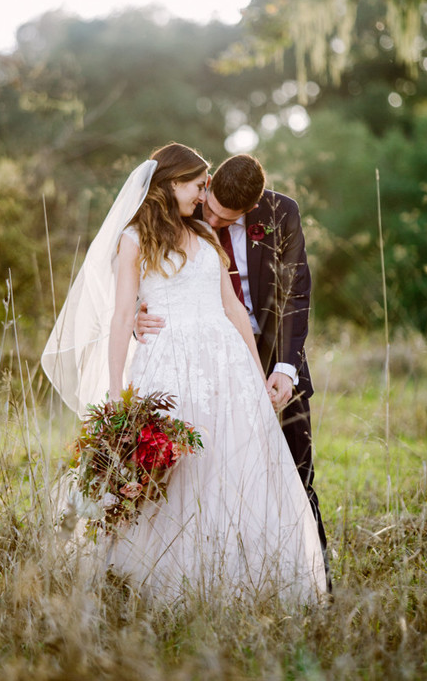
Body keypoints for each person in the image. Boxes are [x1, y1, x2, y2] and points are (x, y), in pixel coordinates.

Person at [42, 143, 326, 603]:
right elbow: (121, 313)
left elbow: (236, 305)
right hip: (170, 363)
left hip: (229, 363)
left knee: (246, 470)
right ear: (176, 184)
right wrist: (116, 390)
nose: (203, 198)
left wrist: (258, 377)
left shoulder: (212, 230)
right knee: (176, 471)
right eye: (198, 187)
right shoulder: (136, 237)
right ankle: (160, 587)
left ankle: (251, 580)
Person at [137, 154, 330, 579]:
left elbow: (295, 293)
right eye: (210, 209)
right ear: (207, 186)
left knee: (294, 473)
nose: (212, 221)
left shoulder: (281, 214)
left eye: (226, 218)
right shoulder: (188, 203)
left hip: (272, 354)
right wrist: (137, 313)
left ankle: (313, 580)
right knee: (202, 473)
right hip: (201, 357)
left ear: (251, 208)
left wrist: (285, 368)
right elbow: (143, 267)